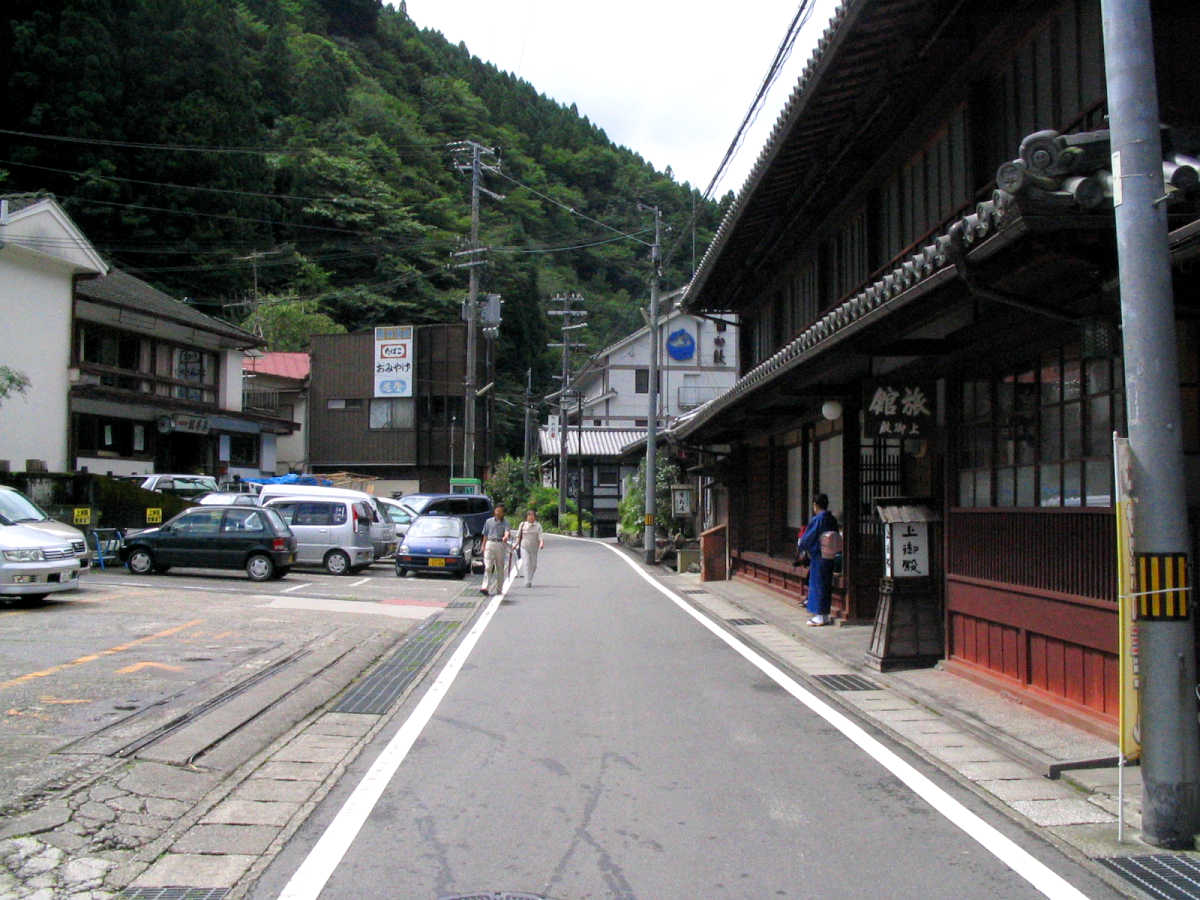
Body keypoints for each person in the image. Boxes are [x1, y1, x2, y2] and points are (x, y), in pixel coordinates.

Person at [796, 493, 839, 626]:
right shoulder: (831, 519)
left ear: (815, 505)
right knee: (825, 584)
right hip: (830, 554)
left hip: (819, 555)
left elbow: (808, 538)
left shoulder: (818, 519)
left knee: (817, 583)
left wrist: (801, 545)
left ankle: (819, 615)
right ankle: (825, 614)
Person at [480, 504, 510, 596]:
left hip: (500, 544)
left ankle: (499, 589)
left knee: (500, 568)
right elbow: (485, 534)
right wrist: (483, 545)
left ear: (503, 513)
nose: (497, 513)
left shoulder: (506, 522)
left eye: (500, 511)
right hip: (490, 543)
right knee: (488, 566)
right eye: (496, 511)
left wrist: (505, 536)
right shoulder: (488, 521)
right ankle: (485, 587)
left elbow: (507, 531)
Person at [515, 508, 545, 588]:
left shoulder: (538, 526)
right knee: (526, 563)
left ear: (535, 517)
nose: (531, 517)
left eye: (532, 515)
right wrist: (516, 544)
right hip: (524, 546)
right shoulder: (522, 524)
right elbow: (518, 536)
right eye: (529, 515)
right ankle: (527, 581)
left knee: (534, 565)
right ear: (527, 517)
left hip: (534, 548)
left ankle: (530, 578)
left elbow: (540, 537)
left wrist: (541, 543)